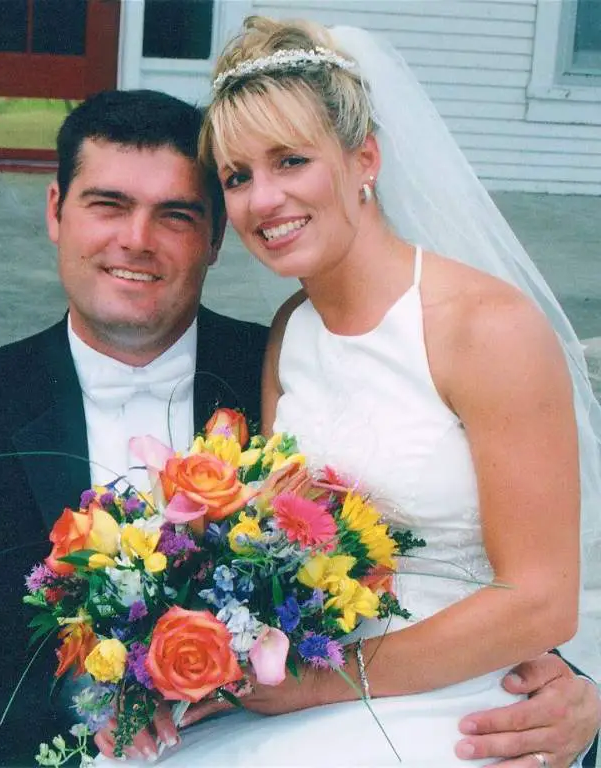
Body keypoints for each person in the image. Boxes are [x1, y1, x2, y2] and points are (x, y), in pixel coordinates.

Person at [0, 90, 596, 768]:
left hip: (272, 733)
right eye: (107, 205)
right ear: (55, 211)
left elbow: (426, 540)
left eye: (176, 215)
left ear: (216, 237)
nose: (137, 239)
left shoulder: (281, 366)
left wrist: (573, 690)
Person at [96, 20, 601, 768]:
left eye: (290, 161)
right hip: (310, 672)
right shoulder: (292, 330)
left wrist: (319, 682)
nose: (263, 199)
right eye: (236, 177)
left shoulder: (486, 329)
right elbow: (278, 540)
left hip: (455, 689)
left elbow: (540, 599)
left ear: (364, 157)